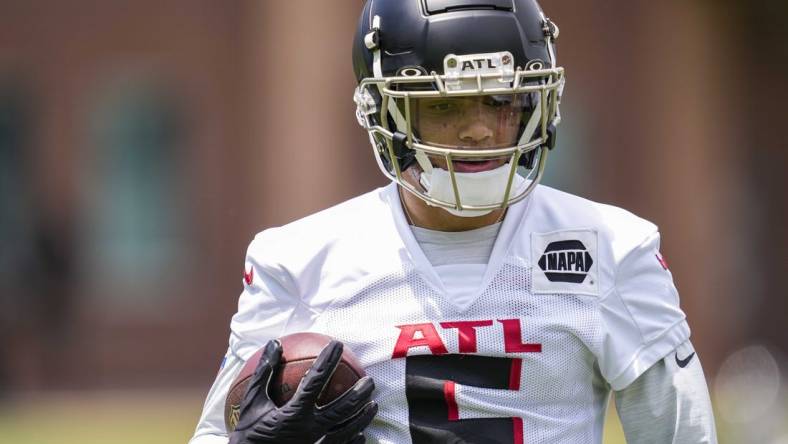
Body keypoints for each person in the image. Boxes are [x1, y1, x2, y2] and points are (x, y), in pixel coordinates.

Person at [190, 0, 718, 443]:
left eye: (500, 100)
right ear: (385, 115)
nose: (479, 130)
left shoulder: (614, 247)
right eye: (446, 105)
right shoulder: (299, 260)